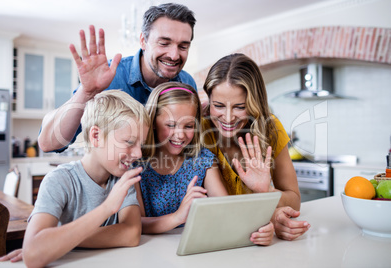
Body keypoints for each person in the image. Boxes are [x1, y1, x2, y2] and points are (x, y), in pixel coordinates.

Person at [0, 90, 150, 266]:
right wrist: (107, 208)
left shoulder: (121, 179)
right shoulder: (59, 180)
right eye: (130, 142)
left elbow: (131, 234)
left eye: (141, 145)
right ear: (96, 136)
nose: (139, 153)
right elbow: (33, 255)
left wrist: (60, 243)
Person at [38, 3, 197, 153]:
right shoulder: (109, 78)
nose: (174, 55)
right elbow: (49, 144)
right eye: (164, 43)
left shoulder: (187, 83)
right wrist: (86, 92)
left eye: (183, 46)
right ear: (143, 41)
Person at [135, 82, 274, 246]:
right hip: (150, 252)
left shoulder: (202, 160)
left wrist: (261, 225)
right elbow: (136, 224)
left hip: (195, 248)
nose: (180, 135)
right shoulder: (137, 164)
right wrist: (177, 217)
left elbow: (227, 211)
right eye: (171, 125)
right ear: (152, 123)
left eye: (188, 126)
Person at [201, 53, 310, 241]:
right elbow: (216, 207)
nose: (227, 118)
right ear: (209, 100)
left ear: (255, 104)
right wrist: (271, 216)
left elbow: (294, 201)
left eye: (239, 107)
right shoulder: (200, 129)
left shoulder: (271, 128)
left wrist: (266, 191)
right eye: (218, 105)